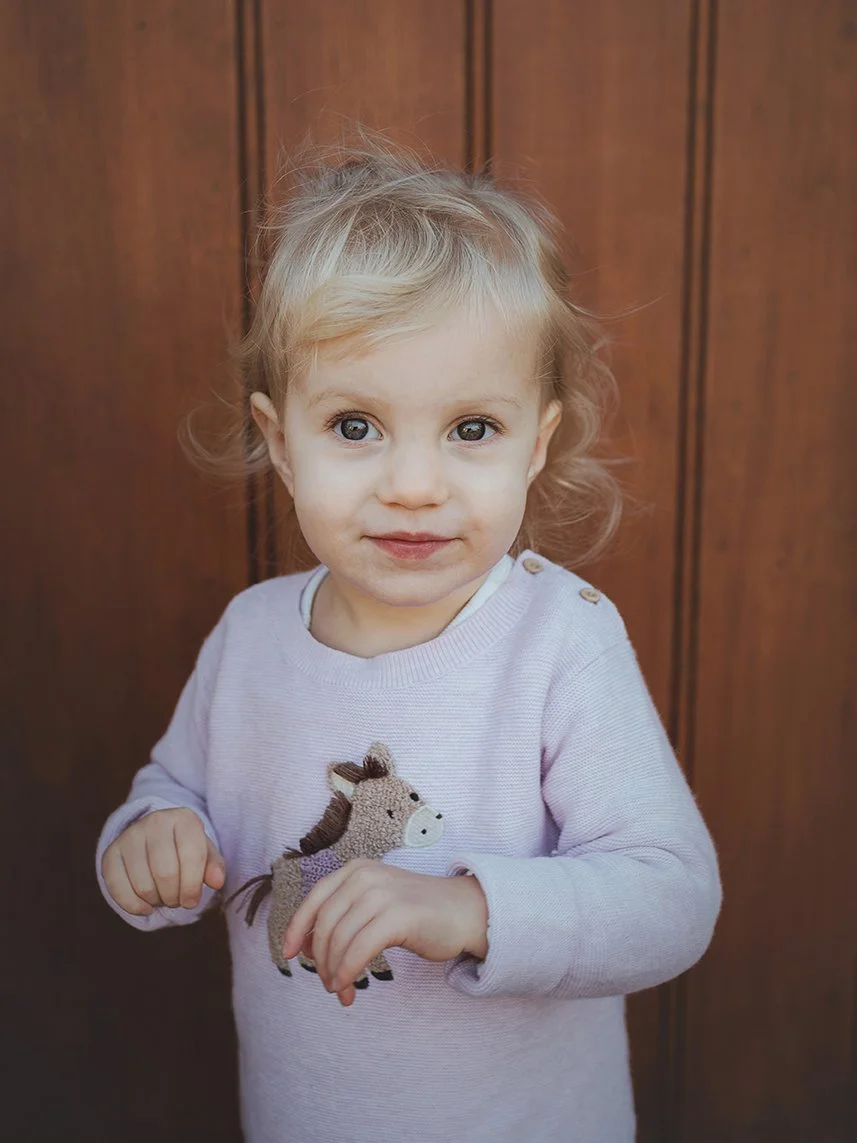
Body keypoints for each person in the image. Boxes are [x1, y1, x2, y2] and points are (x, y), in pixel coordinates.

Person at [96, 129, 721, 1143]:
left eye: (470, 428)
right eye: (354, 426)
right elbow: (177, 798)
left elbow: (670, 899)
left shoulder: (557, 643)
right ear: (279, 442)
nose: (414, 484)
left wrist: (469, 912)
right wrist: (153, 843)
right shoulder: (250, 639)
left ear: (535, 445)